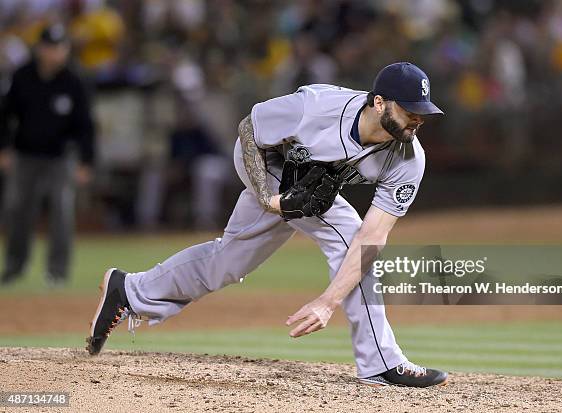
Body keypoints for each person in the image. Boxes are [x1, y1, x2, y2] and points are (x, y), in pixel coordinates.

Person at [86, 62, 449, 388]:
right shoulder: (316, 108)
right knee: (347, 233)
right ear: (381, 103)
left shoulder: (409, 160)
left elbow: (375, 236)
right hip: (264, 162)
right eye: (410, 110)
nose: (417, 120)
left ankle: (129, 290)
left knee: (227, 262)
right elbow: (249, 130)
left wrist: (329, 300)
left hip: (305, 183)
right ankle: (381, 362)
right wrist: (268, 198)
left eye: (423, 113)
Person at [0, 24, 94, 287]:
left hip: (60, 158)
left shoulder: (74, 81)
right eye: (50, 47)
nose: (54, 53)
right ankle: (14, 266)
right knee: (18, 210)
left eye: (59, 48)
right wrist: (4, 147)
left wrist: (86, 161)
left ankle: (57, 271)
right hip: (25, 155)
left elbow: (85, 126)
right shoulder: (22, 77)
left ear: (66, 50)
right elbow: (5, 116)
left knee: (62, 212)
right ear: (40, 48)